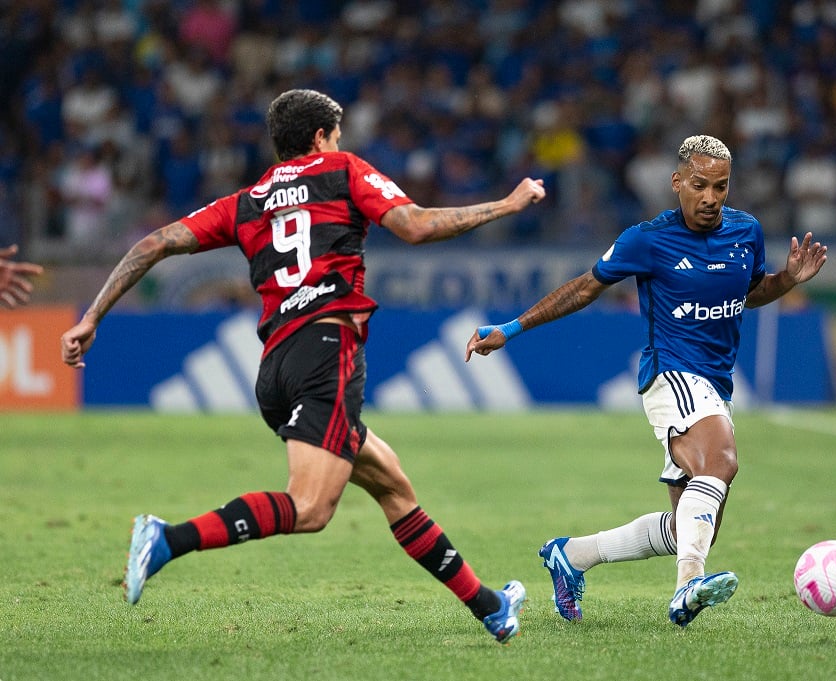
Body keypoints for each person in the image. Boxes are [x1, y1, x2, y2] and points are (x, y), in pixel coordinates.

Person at [60, 89, 546, 644]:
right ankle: (168, 538)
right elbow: (414, 226)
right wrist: (506, 205)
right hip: (327, 351)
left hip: (275, 368)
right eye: (336, 135)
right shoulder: (340, 170)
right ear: (320, 138)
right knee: (311, 507)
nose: (339, 143)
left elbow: (155, 243)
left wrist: (92, 316)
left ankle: (491, 607)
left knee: (393, 487)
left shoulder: (248, 200)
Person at [465, 135, 827, 629]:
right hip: (671, 374)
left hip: (716, 385)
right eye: (699, 185)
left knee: (690, 530)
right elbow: (584, 287)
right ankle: (687, 587)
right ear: (677, 182)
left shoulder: (746, 232)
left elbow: (749, 292)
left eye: (720, 187)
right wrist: (511, 328)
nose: (710, 197)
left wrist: (786, 280)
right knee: (720, 461)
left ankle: (572, 555)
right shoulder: (648, 239)